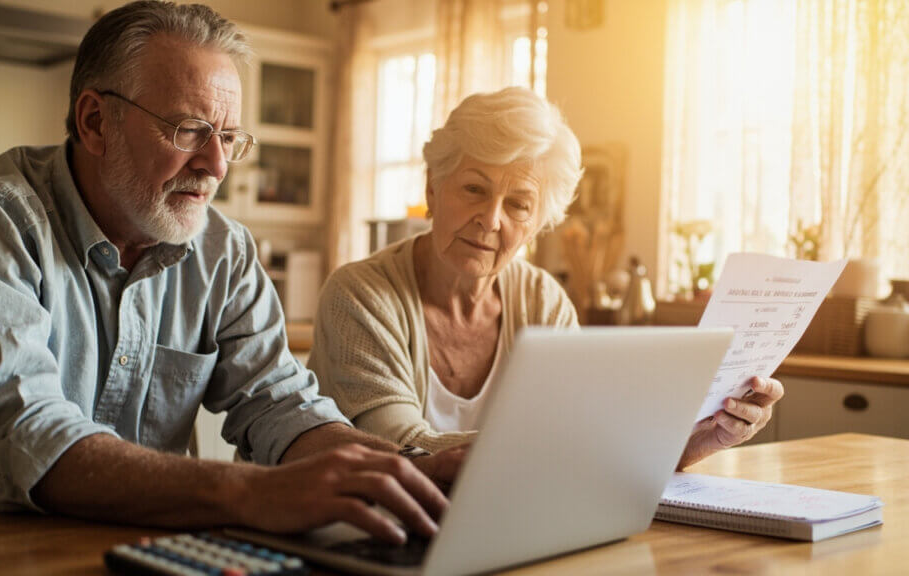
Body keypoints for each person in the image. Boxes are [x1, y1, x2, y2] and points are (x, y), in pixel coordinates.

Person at [0, 1, 462, 545]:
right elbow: (25, 436)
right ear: (95, 122)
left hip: (137, 542)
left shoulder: (224, 250)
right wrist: (251, 492)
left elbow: (281, 406)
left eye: (229, 138)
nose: (215, 166)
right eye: (189, 130)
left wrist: (411, 472)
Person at [307, 87, 783, 467]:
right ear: (432, 190)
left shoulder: (543, 302)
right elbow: (402, 448)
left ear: (539, 224)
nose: (491, 219)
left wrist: (701, 438)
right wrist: (571, 445)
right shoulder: (360, 296)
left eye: (518, 204)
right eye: (474, 189)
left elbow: (582, 451)